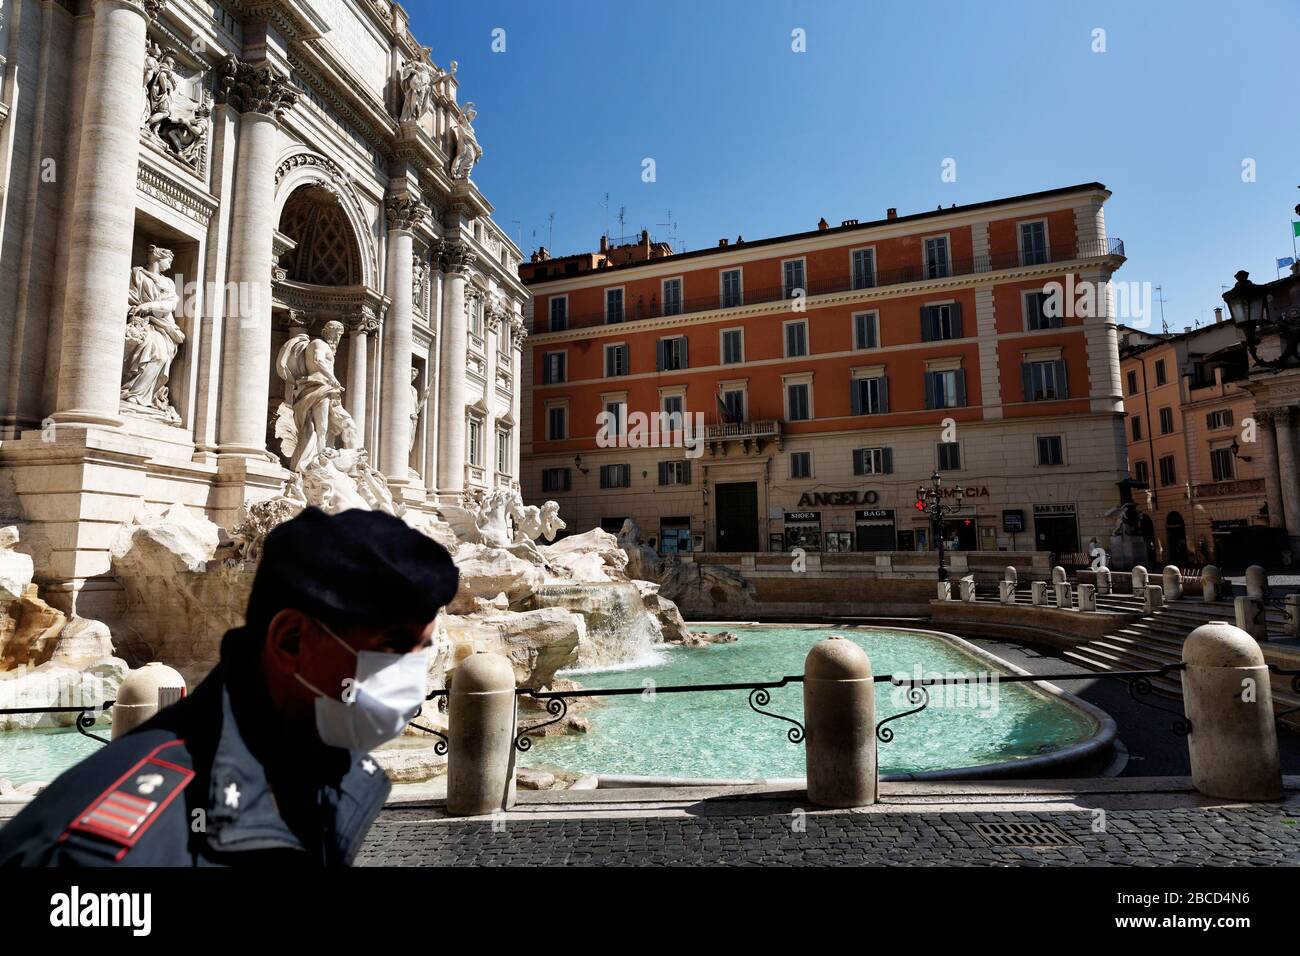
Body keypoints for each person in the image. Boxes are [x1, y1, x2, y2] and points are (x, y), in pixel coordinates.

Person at [0, 507, 458, 866]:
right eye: (394, 646)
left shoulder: (331, 771)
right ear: (291, 640)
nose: (413, 675)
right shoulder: (104, 851)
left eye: (424, 647)